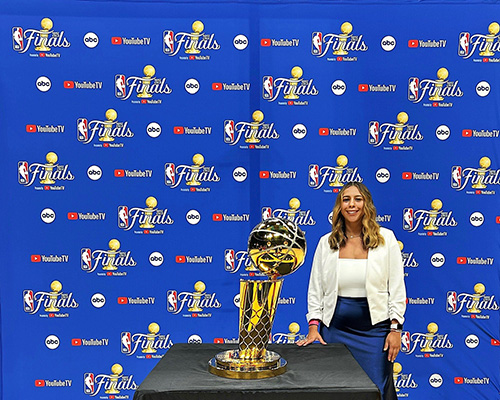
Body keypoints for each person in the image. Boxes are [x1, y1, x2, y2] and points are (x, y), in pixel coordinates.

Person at [297, 182, 406, 400]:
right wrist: (313, 326)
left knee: (375, 389)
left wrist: (396, 330)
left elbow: (396, 288)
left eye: (358, 199)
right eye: (346, 199)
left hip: (375, 332)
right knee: (338, 391)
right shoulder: (326, 243)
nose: (352, 204)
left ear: (366, 204)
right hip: (335, 330)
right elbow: (315, 289)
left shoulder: (386, 239)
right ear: (339, 206)